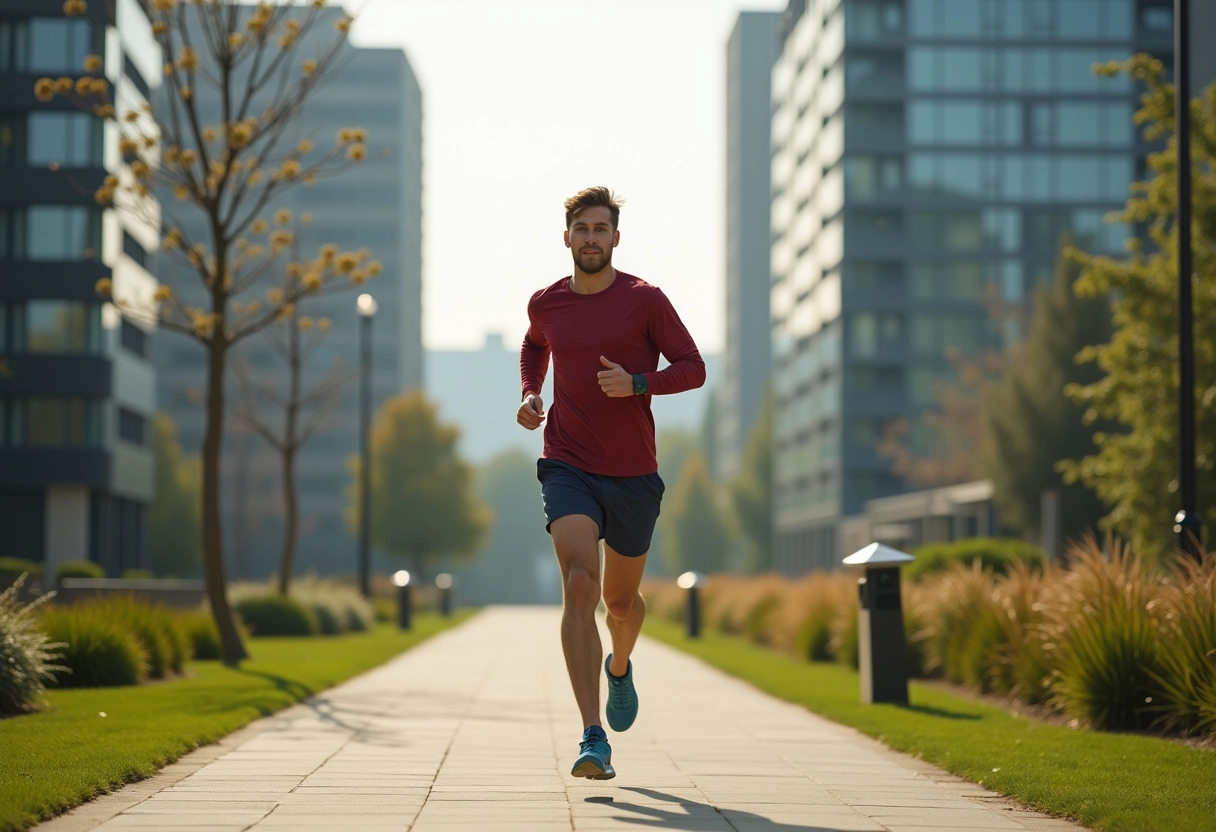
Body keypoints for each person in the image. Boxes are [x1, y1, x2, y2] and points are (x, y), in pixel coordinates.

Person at [517, 186, 706, 780]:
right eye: (582, 229)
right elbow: (534, 343)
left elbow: (693, 367)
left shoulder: (644, 300)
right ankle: (592, 735)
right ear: (567, 237)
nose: (591, 238)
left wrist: (640, 384)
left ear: (615, 238)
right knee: (579, 585)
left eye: (602, 229)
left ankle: (619, 665)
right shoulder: (546, 303)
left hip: (632, 475)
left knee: (619, 603)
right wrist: (531, 392)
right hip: (567, 462)